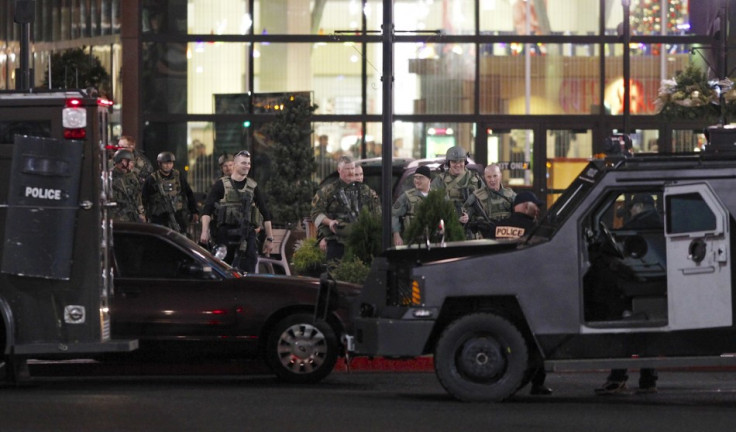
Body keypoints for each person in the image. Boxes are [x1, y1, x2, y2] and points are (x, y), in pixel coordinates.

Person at [594, 193, 662, 396]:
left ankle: (617, 377)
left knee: (623, 331)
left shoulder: (643, 223)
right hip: (651, 284)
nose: (630, 211)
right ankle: (648, 379)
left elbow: (620, 241)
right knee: (645, 334)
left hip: (637, 285)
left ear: (640, 206)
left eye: (632, 207)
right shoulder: (656, 221)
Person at [492, 191, 551, 395]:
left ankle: (503, 379)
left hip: (499, 288)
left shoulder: (498, 227)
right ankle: (537, 382)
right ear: (526, 207)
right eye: (536, 206)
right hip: (527, 289)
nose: (539, 210)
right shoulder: (536, 229)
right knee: (533, 338)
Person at [199, 150, 274, 272]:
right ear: (235, 164)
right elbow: (207, 210)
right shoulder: (220, 185)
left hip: (246, 234)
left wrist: (270, 238)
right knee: (222, 268)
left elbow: (265, 213)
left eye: (248, 163)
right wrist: (204, 231)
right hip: (225, 233)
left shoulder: (253, 186)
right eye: (243, 163)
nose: (247, 166)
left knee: (248, 266)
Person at [311, 156, 381, 261]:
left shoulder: (366, 190)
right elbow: (315, 213)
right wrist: (329, 223)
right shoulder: (327, 191)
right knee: (335, 274)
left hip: (361, 241)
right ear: (339, 170)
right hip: (337, 241)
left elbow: (377, 214)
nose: (351, 172)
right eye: (347, 169)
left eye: (352, 168)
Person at [430, 146, 482, 237]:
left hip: (471, 231)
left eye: (461, 161)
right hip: (448, 230)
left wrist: (469, 214)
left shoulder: (474, 179)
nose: (458, 165)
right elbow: (432, 204)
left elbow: (484, 203)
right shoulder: (440, 181)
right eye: (454, 162)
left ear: (465, 162)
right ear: (448, 163)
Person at [142, 151, 199, 234]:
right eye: (165, 163)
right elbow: (144, 198)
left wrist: (194, 211)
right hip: (159, 217)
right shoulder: (152, 179)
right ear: (160, 164)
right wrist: (143, 214)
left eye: (170, 162)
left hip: (177, 215)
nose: (168, 165)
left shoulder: (178, 176)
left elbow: (189, 193)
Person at [463, 164, 516, 238]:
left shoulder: (511, 195)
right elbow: (466, 213)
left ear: (500, 176)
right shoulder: (476, 196)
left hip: (507, 237)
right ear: (484, 178)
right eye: (489, 177)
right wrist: (469, 218)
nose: (492, 180)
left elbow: (519, 215)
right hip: (485, 238)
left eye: (495, 176)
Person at [391, 165, 431, 246]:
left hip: (433, 240)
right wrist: (396, 235)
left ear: (429, 180)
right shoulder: (407, 196)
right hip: (412, 240)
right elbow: (394, 214)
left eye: (421, 178)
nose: (417, 180)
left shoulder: (436, 196)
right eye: (416, 177)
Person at [109, 149, 146, 223]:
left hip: (132, 215)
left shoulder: (132, 176)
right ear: (122, 162)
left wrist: (141, 213)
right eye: (130, 162)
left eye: (132, 162)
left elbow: (138, 197)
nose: (132, 165)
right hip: (116, 216)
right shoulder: (110, 177)